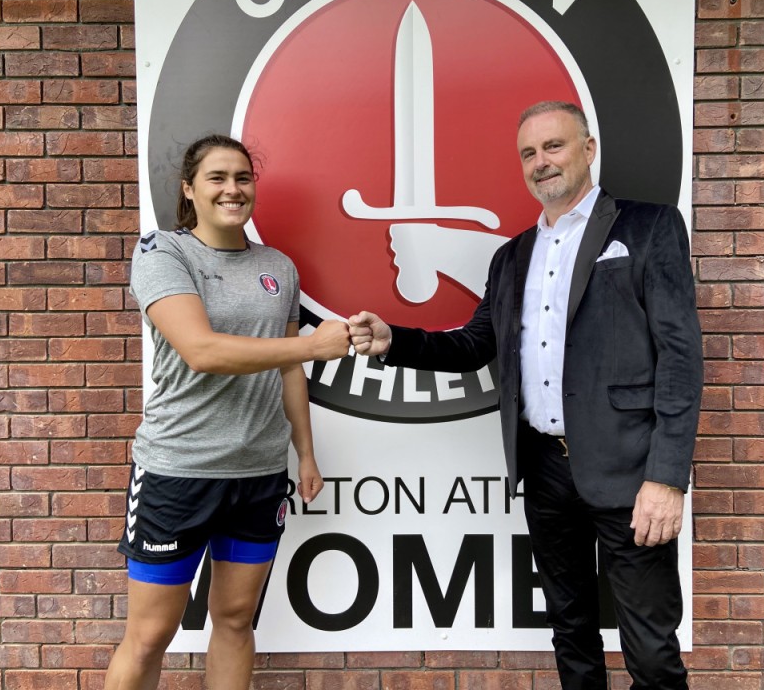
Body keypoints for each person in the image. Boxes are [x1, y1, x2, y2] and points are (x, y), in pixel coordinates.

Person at [349, 101, 702, 690]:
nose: (542, 162)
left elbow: (680, 361)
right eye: (529, 153)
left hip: (629, 470)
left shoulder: (648, 227)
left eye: (554, 146)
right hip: (544, 470)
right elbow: (473, 346)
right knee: (571, 633)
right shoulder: (511, 256)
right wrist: (395, 340)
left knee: (650, 648)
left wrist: (666, 479)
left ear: (588, 149)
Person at [104, 134, 351, 690]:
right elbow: (203, 351)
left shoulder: (278, 267)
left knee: (237, 620)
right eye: (216, 178)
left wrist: (305, 453)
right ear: (189, 189)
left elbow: (289, 368)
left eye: (243, 177)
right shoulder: (163, 253)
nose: (232, 189)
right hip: (179, 472)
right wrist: (314, 346)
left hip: (258, 475)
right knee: (150, 635)